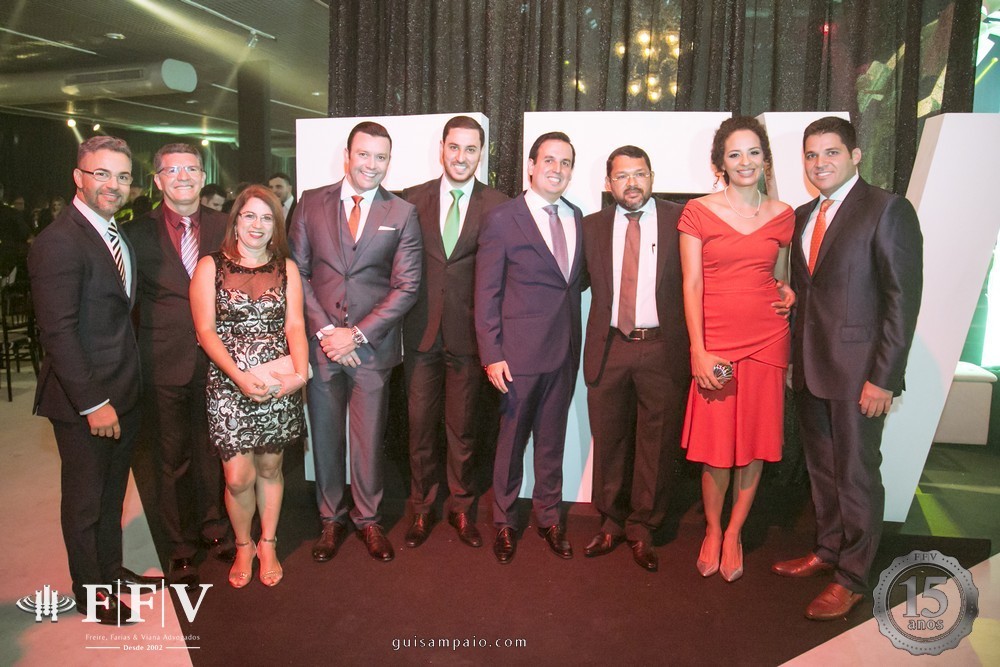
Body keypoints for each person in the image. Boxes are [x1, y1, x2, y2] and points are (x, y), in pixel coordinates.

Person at [772, 116, 923, 620]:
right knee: (822, 471)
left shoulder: (887, 209)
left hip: (861, 374)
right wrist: (792, 299)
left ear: (855, 155)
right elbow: (814, 289)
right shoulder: (803, 215)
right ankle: (828, 550)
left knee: (856, 475)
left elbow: (902, 301)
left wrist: (885, 377)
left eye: (831, 152)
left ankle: (853, 577)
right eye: (812, 155)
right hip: (809, 368)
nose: (820, 163)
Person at [28, 136, 159, 625]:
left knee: (111, 496)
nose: (113, 185)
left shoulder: (112, 233)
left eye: (122, 176)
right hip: (85, 401)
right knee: (85, 503)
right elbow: (58, 333)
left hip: (122, 391)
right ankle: (90, 593)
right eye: (101, 173)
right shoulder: (59, 241)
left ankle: (110, 572)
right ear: (78, 177)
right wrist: (93, 403)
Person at [289, 121, 421, 564]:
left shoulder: (401, 212)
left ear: (389, 162)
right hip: (323, 347)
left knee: (368, 441)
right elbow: (297, 272)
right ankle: (331, 519)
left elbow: (407, 286)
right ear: (347, 155)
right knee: (326, 437)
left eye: (380, 157)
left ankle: (368, 519)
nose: (371, 164)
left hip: (371, 349)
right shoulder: (310, 203)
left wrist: (357, 334)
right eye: (364, 154)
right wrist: (327, 333)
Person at [678, 117, 795, 582]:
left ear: (765, 159)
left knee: (753, 444)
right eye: (734, 154)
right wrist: (699, 350)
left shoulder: (783, 214)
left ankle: (734, 532)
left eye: (753, 152)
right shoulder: (697, 212)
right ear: (720, 164)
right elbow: (691, 285)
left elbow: (779, 277)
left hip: (768, 342)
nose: (745, 162)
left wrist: (789, 293)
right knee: (716, 447)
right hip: (718, 347)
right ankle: (712, 528)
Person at [190, 185, 308, 588]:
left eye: (267, 217)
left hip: (277, 383)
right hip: (229, 384)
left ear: (276, 225)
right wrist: (239, 378)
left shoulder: (286, 268)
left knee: (271, 468)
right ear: (236, 220)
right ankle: (244, 544)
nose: (258, 225)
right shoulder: (210, 267)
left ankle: (268, 542)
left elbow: (295, 326)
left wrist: (300, 375)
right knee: (238, 477)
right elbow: (205, 332)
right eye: (250, 215)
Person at [399, 116, 509, 549]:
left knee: (463, 431)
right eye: (454, 147)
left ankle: (462, 508)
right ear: (442, 149)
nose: (461, 156)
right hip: (420, 334)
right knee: (419, 428)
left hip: (469, 337)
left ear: (482, 153)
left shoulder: (499, 204)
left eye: (471, 149)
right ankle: (422, 508)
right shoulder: (411, 200)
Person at [126, 143, 232, 590]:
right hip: (162, 360)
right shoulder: (133, 233)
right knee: (170, 457)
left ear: (203, 175)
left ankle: (215, 528)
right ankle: (180, 546)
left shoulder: (228, 226)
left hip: (220, 360)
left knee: (214, 450)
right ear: (157, 180)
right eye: (172, 170)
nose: (183, 176)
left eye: (191, 168)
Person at [475, 131, 584, 564]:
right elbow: (486, 294)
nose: (557, 169)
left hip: (564, 352)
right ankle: (505, 522)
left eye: (566, 162)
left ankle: (549, 518)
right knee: (511, 444)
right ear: (532, 166)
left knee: (552, 442)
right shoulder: (503, 218)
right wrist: (491, 354)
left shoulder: (577, 216)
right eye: (550, 160)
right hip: (516, 357)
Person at [580, 146, 689, 572]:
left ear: (652, 176)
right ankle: (610, 521)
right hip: (609, 346)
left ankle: (643, 526)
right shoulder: (591, 226)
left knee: (656, 444)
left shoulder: (682, 220)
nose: (632, 183)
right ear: (609, 183)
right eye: (622, 176)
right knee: (608, 439)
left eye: (639, 173)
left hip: (662, 347)